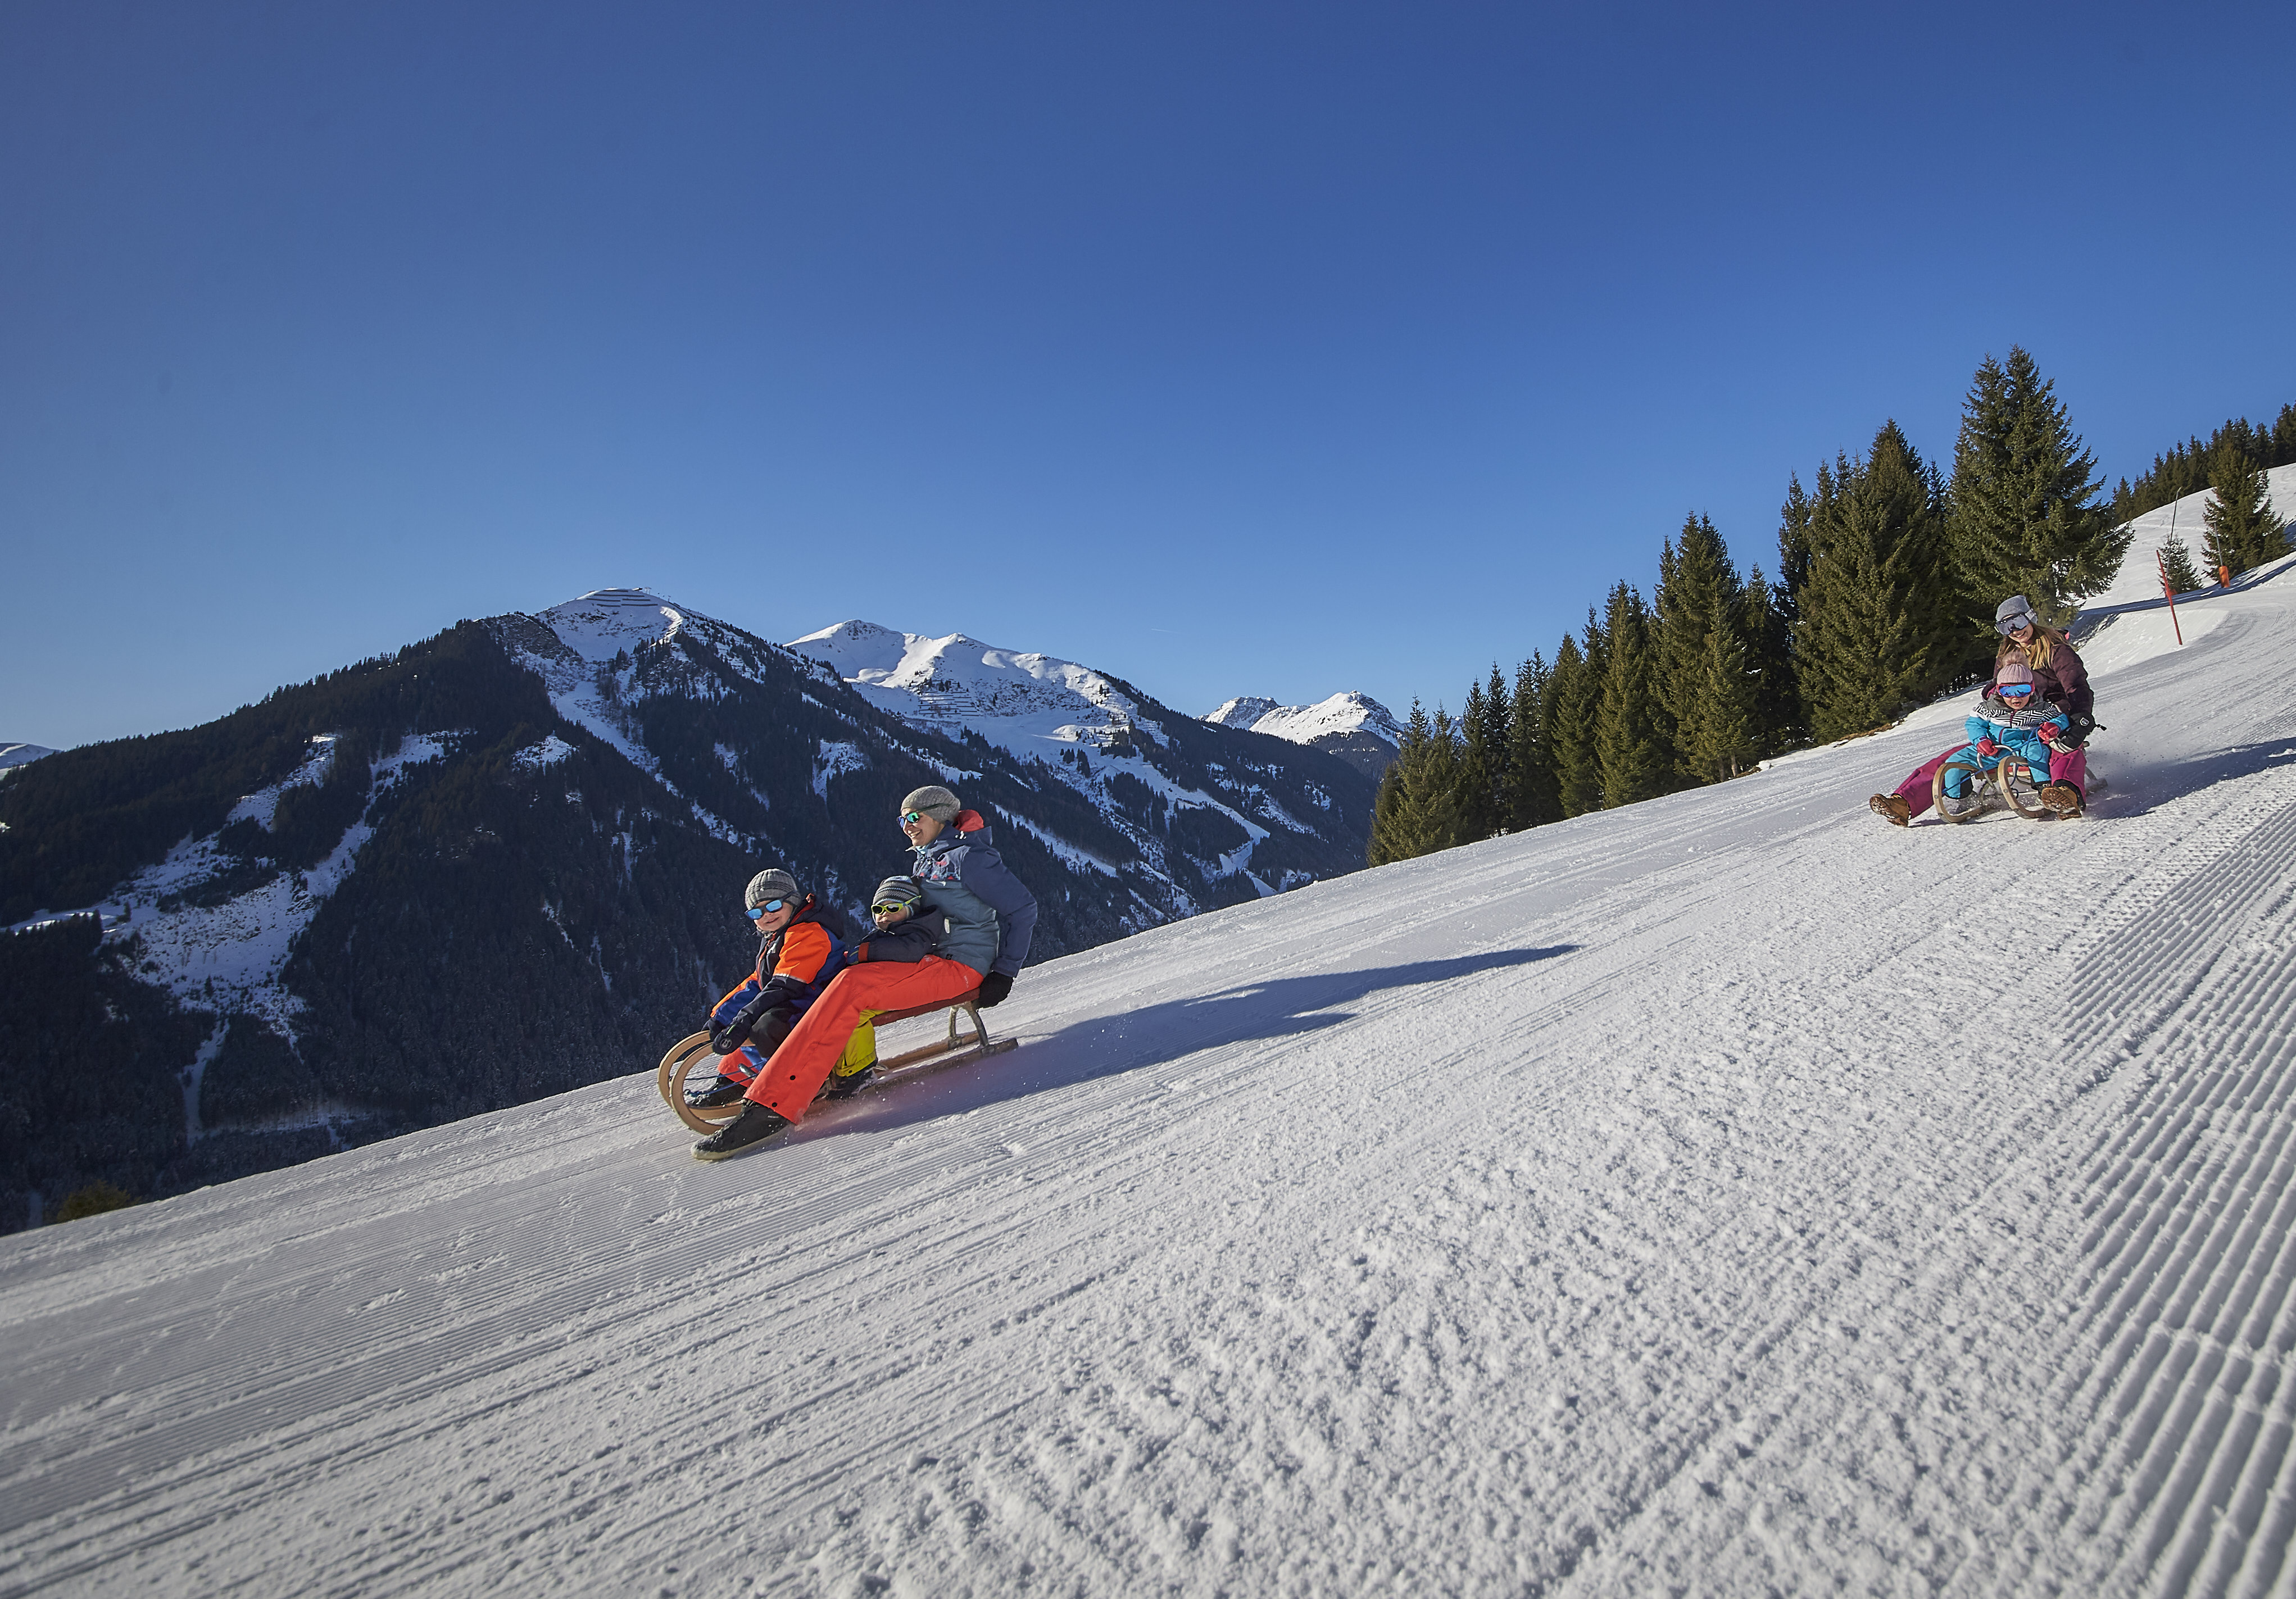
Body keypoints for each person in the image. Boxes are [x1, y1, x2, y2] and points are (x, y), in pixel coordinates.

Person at [693, 785, 1038, 1160]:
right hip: (930, 959)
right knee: (841, 978)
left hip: (962, 967)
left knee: (851, 986)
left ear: (940, 815)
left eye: (913, 818)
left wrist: (1004, 972)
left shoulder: (969, 858)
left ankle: (772, 1105)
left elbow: (1023, 909)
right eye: (901, 819)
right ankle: (806, 1071)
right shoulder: (929, 857)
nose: (906, 826)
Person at [1869, 592, 2095, 825]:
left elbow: (2077, 687)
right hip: (2009, 723)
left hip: (2049, 721)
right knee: (1952, 758)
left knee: (2063, 752)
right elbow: (1996, 687)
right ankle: (1903, 801)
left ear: (2030, 618)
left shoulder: (2056, 650)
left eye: (2018, 622)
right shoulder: (2007, 653)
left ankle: (2066, 795)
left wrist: (2079, 720)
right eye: (2006, 627)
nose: (2015, 631)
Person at [683, 868, 873, 1109]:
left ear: (792, 902)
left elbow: (786, 985)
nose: (766, 916)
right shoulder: (779, 935)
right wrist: (722, 1015)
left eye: (773, 906)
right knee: (748, 1021)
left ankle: (796, 1083)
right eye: (756, 912)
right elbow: (759, 982)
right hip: (799, 998)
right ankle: (735, 1080)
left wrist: (744, 1018)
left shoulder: (808, 932)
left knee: (767, 1026)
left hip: (819, 1002)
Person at [1933, 660, 2068, 818]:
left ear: (2032, 689)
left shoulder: (2040, 708)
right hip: (1991, 749)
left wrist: (2054, 726)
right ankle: (1962, 798)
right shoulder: (1988, 708)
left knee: (2037, 752)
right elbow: (1974, 724)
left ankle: (2045, 790)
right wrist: (1980, 740)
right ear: (1999, 691)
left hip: (2023, 747)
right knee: (1954, 762)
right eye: (2008, 692)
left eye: (2022, 690)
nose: (2016, 697)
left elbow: (2061, 719)